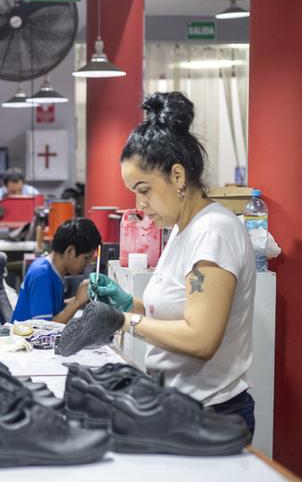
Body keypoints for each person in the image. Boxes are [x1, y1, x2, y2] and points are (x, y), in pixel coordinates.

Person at [90, 91, 257, 435]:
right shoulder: (183, 230)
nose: (140, 204)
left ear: (177, 176)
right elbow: (175, 311)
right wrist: (127, 302)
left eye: (144, 189)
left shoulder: (214, 232)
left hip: (210, 414)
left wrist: (124, 320)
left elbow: (200, 339)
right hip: (177, 403)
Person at [12, 218, 102, 323]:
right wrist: (77, 302)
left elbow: (51, 306)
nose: (86, 264)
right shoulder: (42, 276)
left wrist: (81, 298)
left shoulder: (52, 271)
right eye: (86, 258)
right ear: (70, 251)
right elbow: (45, 329)